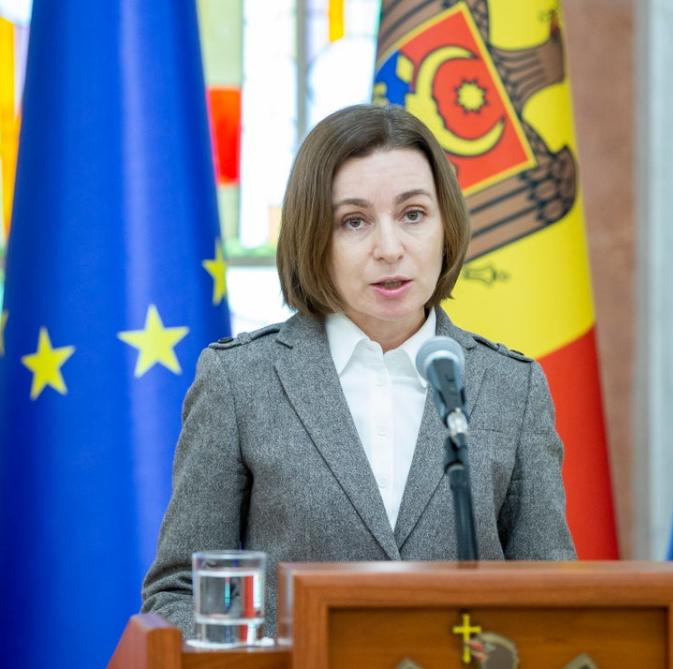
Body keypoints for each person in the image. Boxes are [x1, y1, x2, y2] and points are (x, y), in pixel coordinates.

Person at [141, 104, 575, 637]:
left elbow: (551, 594)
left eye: (413, 215)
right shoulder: (240, 382)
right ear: (312, 237)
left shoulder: (513, 386)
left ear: (446, 227)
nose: (389, 249)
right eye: (354, 221)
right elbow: (179, 591)